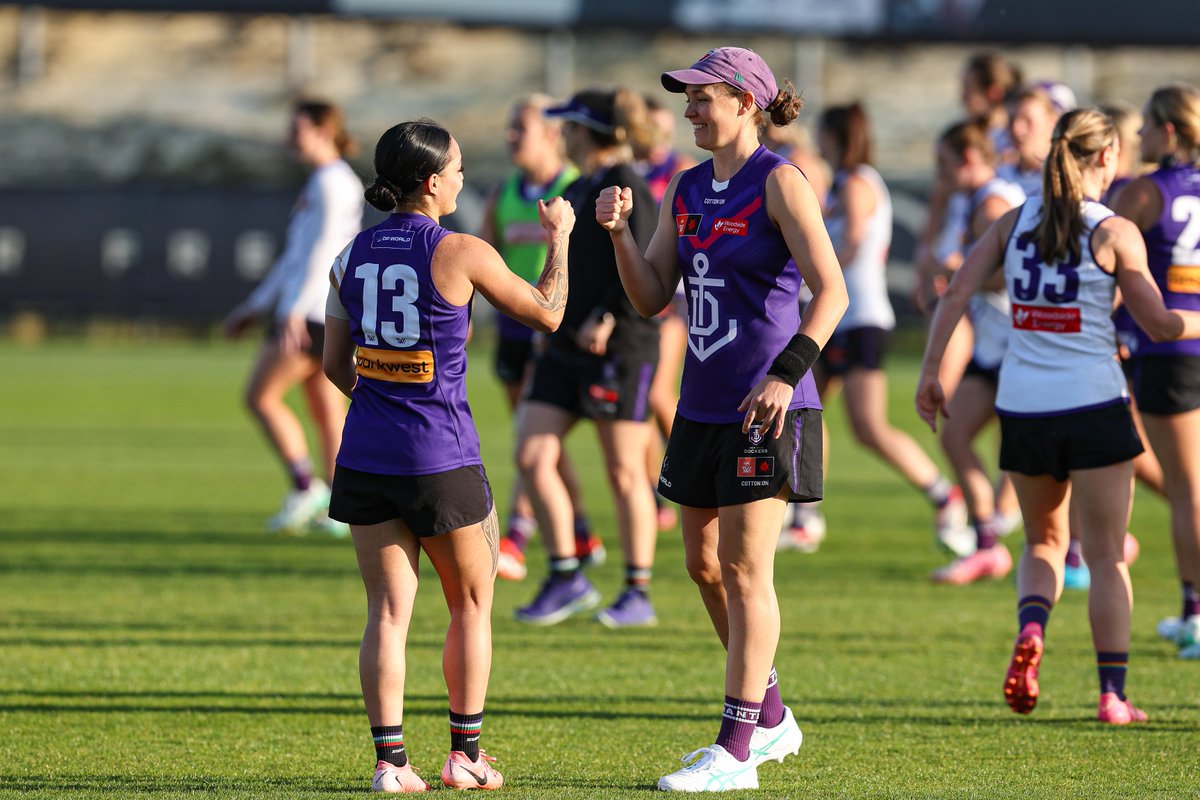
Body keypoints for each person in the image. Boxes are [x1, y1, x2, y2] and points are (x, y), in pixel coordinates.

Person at [598, 46, 848, 790]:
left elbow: (832, 292)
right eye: (687, 98)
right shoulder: (684, 187)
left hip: (769, 404)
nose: (689, 110)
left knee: (743, 569)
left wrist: (786, 374)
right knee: (702, 565)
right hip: (701, 405)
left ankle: (735, 750)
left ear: (745, 102)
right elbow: (650, 297)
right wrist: (618, 235)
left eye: (702, 97)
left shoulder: (781, 181)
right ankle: (770, 717)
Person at [916, 107, 1200, 725]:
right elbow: (1157, 324)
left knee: (1043, 542)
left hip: (1023, 406)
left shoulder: (1016, 220)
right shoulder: (1114, 231)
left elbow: (957, 289)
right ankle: (1112, 695)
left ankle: (1032, 629)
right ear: (1107, 157)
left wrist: (931, 372)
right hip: (1095, 404)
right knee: (1105, 556)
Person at [323, 118, 575, 791]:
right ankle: (465, 756)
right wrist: (560, 237)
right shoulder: (461, 250)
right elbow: (549, 311)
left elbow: (333, 364)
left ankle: (390, 764)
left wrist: (382, 397)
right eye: (458, 168)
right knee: (470, 605)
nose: (464, 177)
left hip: (366, 455)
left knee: (386, 613)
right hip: (441, 456)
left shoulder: (349, 256)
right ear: (433, 183)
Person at [513, 89, 663, 628]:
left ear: (584, 131)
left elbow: (649, 266)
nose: (559, 136)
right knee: (532, 454)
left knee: (625, 471)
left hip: (618, 348)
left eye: (567, 127)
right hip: (565, 346)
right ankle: (566, 575)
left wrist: (609, 316)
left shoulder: (627, 185)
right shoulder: (578, 186)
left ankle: (637, 591)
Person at [803, 102, 968, 557]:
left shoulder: (858, 182)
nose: (817, 141)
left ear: (836, 136)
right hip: (833, 317)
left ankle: (944, 496)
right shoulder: (841, 183)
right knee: (802, 409)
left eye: (822, 133)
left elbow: (853, 243)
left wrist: (811, 277)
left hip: (860, 318)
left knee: (868, 427)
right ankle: (804, 515)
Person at [224, 99, 364, 535]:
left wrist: (292, 310)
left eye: (297, 130)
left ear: (324, 131)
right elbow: (295, 255)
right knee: (326, 410)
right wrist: (256, 305)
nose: (290, 139)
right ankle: (342, 508)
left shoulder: (333, 182)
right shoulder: (324, 181)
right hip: (324, 309)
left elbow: (324, 251)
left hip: (313, 310)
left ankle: (306, 488)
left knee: (260, 397)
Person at [478, 94, 596, 582]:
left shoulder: (576, 188)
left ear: (551, 133)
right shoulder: (504, 192)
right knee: (535, 438)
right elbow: (482, 251)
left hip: (554, 333)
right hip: (512, 329)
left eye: (519, 127)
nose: (510, 136)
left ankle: (517, 536)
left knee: (533, 441)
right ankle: (581, 531)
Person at [1111, 84, 1200, 658]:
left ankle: (1196, 614)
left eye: (1146, 125)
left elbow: (1103, 267)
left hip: (1171, 354)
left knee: (1188, 492)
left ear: (1169, 131)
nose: (1139, 136)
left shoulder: (1146, 191)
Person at [926, 118, 1026, 582]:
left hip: (1017, 343)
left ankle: (1080, 546)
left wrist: (959, 275)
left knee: (1038, 454)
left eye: (944, 164)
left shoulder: (992, 205)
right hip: (994, 346)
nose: (941, 175)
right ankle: (988, 543)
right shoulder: (978, 200)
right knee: (955, 435)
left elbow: (1009, 277)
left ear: (967, 159)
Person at [636, 96, 699, 533]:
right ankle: (655, 492)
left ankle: (688, 466)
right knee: (638, 406)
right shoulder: (626, 171)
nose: (657, 135)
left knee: (658, 394)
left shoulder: (682, 171)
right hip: (634, 298)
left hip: (675, 300)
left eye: (663, 126)